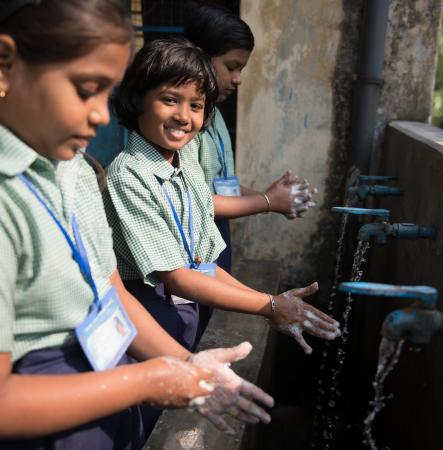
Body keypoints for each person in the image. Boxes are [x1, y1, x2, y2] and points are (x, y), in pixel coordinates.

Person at [0, 1, 274, 448]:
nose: (102, 115)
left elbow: (113, 291)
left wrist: (189, 366)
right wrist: (147, 382)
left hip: (109, 390)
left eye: (105, 93)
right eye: (85, 88)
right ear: (6, 65)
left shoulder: (78, 172)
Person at [105, 37, 341, 358]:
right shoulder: (129, 174)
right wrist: (269, 305)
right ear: (138, 100)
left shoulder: (185, 163)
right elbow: (176, 277)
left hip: (183, 304)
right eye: (170, 99)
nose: (184, 116)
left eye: (196, 105)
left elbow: (204, 266)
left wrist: (270, 302)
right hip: (146, 311)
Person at [182, 1, 318, 272]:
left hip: (216, 238)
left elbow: (220, 185)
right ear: (198, 56)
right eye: (231, 66)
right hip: (190, 247)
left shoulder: (216, 116)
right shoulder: (183, 126)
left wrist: (274, 196)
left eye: (241, 69)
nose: (237, 79)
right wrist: (267, 202)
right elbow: (193, 201)